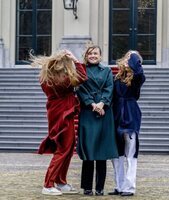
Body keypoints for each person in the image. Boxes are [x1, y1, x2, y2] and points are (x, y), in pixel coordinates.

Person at [30, 50, 87, 196]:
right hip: (62, 114)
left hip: (57, 112)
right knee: (63, 149)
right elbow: (82, 77)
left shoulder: (47, 78)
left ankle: (61, 182)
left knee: (67, 148)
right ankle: (48, 184)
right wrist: (75, 60)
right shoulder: (63, 80)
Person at [76, 45, 118, 196]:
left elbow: (110, 88)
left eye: (95, 53)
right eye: (90, 54)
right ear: (86, 56)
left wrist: (102, 103)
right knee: (88, 152)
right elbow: (80, 89)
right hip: (88, 113)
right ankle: (87, 187)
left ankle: (100, 187)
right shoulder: (81, 70)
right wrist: (92, 104)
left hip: (104, 114)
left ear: (100, 56)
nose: (93, 56)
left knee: (102, 153)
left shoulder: (106, 70)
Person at [108, 50, 146, 196]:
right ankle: (120, 185)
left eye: (132, 58)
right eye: (127, 56)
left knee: (131, 153)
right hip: (116, 115)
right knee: (117, 154)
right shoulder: (116, 78)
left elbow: (138, 71)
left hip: (130, 115)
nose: (128, 59)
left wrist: (134, 56)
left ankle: (129, 187)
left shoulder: (137, 78)